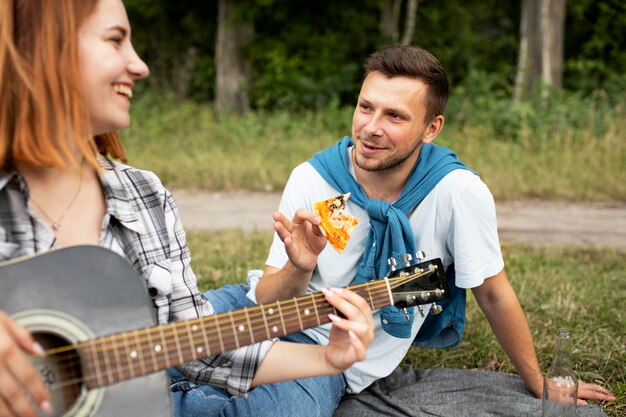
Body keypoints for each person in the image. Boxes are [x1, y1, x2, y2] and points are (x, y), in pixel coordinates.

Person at [192, 45, 617, 416]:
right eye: (365, 107)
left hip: (330, 353)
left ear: (432, 128)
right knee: (145, 336)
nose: (371, 128)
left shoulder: (457, 193)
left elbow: (492, 291)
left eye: (395, 115)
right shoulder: (314, 177)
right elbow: (265, 298)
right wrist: (300, 269)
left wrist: (538, 380)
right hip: (259, 313)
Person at [0, 1, 375, 417]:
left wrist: (327, 360)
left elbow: (193, 344)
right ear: (44, 49)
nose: (139, 66)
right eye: (115, 40)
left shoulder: (142, 195)